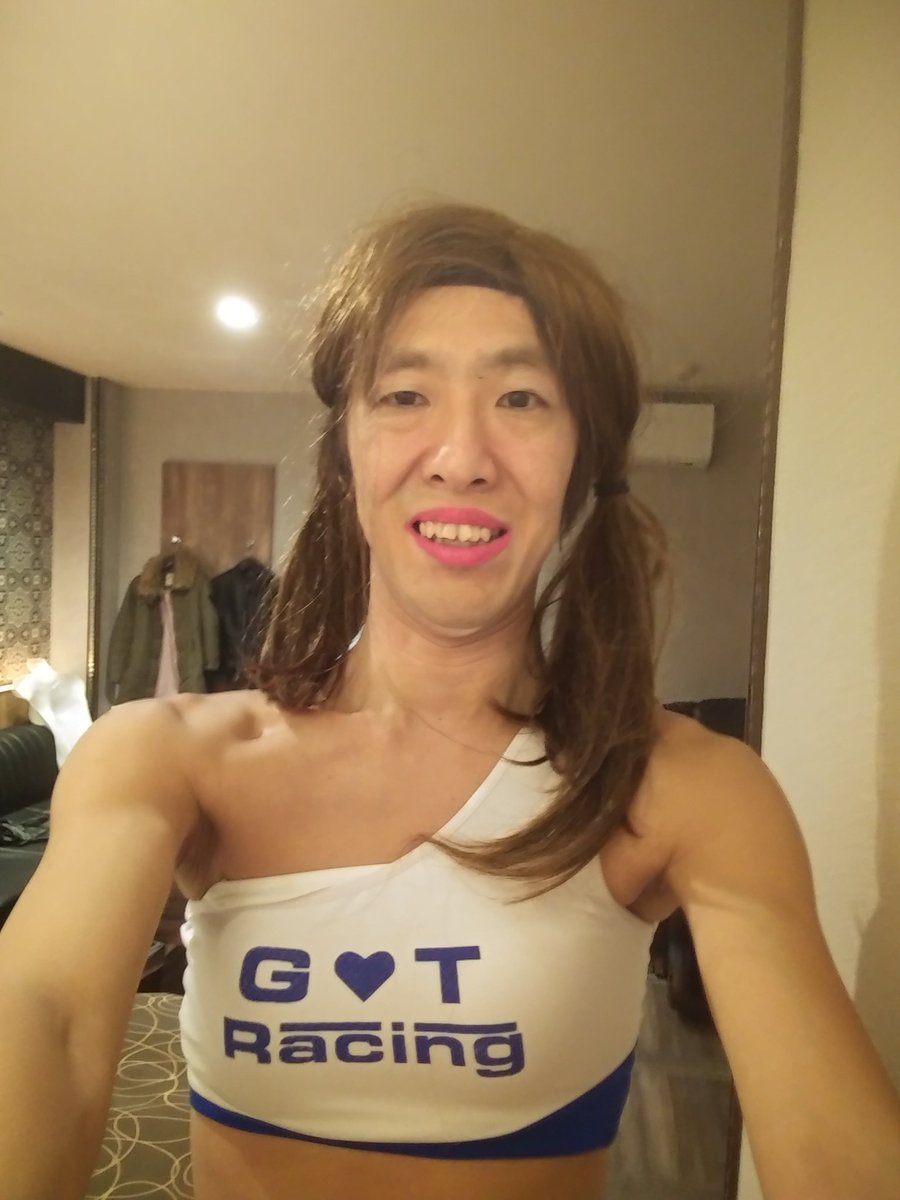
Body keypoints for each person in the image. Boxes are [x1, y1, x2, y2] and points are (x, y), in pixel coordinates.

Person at [1, 203, 899, 1200]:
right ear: (346, 451)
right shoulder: (161, 756)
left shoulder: (691, 789)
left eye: (522, 398)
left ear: (582, 459)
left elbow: (831, 1150)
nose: (461, 453)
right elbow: (48, 1020)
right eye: (405, 394)